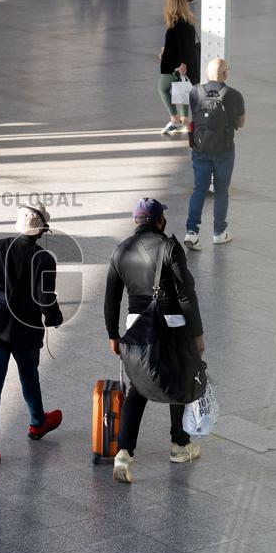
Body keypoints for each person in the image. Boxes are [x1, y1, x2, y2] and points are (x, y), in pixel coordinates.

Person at [105, 198, 205, 484]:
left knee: (138, 386)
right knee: (181, 379)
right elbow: (186, 294)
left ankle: (123, 454)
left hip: (136, 324)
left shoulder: (120, 250)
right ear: (159, 220)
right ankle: (179, 446)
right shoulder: (170, 247)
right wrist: (197, 333)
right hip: (171, 322)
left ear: (137, 221)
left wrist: (113, 335)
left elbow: (111, 299)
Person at [0, 204, 64, 465]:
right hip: (26, 330)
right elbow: (45, 300)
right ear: (41, 231)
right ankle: (37, 422)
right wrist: (55, 318)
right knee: (29, 376)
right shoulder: (43, 259)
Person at [184, 58, 245, 249]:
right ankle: (219, 232)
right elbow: (241, 123)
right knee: (221, 191)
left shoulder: (195, 91)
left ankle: (192, 232)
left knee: (199, 189)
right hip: (224, 151)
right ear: (226, 74)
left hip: (200, 149)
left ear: (207, 73)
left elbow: (192, 116)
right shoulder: (234, 95)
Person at [158, 0, 200, 135]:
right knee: (181, 89)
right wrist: (165, 50)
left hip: (175, 65)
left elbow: (184, 47)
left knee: (163, 88)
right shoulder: (186, 21)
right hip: (179, 63)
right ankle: (184, 121)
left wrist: (183, 64)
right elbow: (179, 44)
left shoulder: (178, 23)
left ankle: (175, 120)